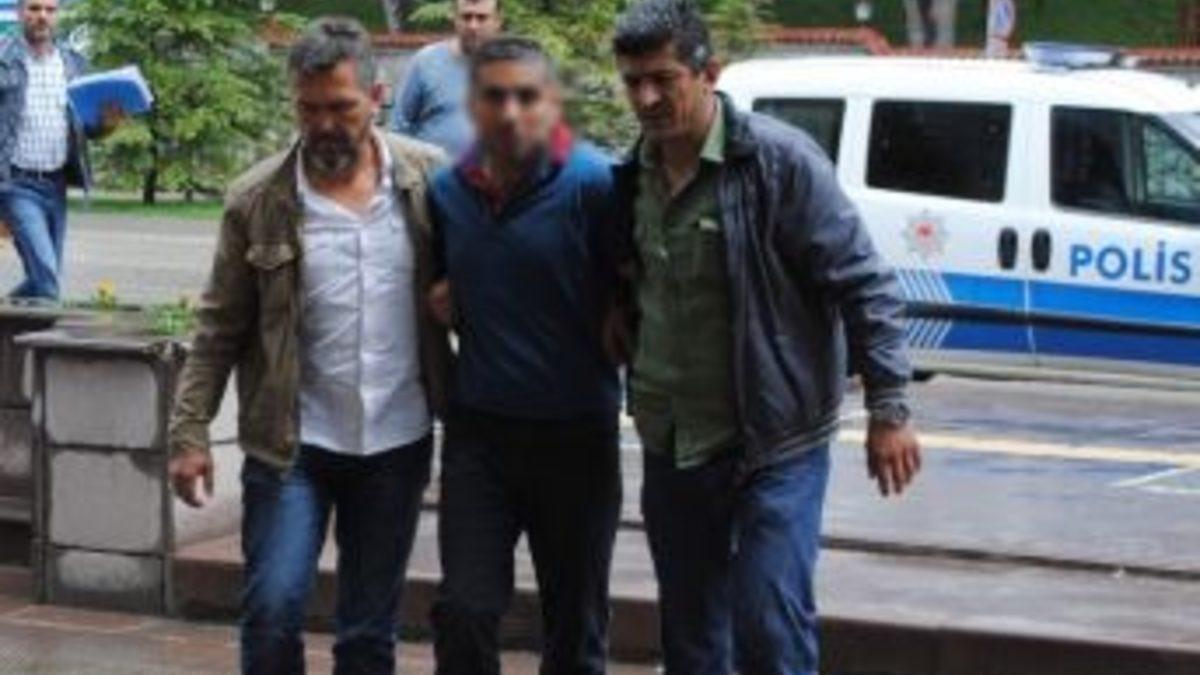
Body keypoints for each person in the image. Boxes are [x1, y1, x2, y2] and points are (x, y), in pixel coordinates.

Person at [608, 1, 923, 673]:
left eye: (663, 79)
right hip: (672, 441)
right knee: (692, 636)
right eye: (633, 82)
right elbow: (623, 277)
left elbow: (865, 283)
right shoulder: (629, 176)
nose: (647, 98)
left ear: (709, 73)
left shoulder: (777, 163)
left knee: (768, 625)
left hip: (776, 442)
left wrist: (889, 409)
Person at [166, 17, 450, 675]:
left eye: (341, 108)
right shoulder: (257, 198)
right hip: (290, 443)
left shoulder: (429, 181)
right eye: (308, 108)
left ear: (376, 97)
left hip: (396, 439)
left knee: (368, 633)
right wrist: (189, 432)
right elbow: (218, 327)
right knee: (271, 609)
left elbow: (482, 277)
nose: (324, 124)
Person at [427, 37, 621, 675]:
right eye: (494, 96)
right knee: (464, 609)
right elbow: (436, 284)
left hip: (576, 436)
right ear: (472, 105)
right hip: (481, 436)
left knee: (575, 624)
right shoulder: (446, 191)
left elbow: (638, 285)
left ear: (552, 102)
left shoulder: (596, 184)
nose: (510, 112)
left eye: (527, 96)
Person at [0, 0, 114, 300]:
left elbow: (87, 128)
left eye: (50, 10)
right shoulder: (2, 58)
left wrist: (109, 123)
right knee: (48, 281)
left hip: (56, 185)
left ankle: (11, 319)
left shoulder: (74, 63)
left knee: (42, 287)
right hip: (14, 184)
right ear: (19, 12)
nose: (42, 16)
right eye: (34, 8)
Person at [390, 0, 502, 157]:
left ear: (497, 21)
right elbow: (398, 130)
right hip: (430, 171)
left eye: (482, 18)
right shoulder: (426, 62)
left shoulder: (512, 69)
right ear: (454, 18)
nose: (473, 26)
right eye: (466, 17)